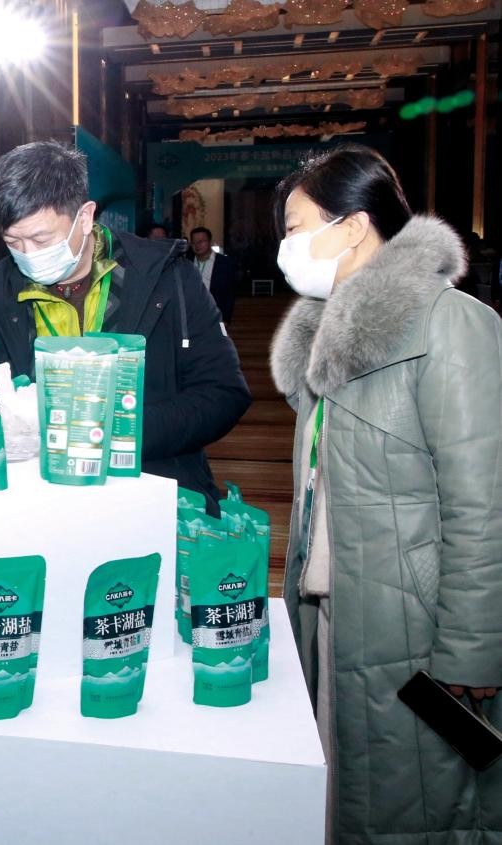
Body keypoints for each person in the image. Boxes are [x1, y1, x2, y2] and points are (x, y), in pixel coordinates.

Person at [269, 145, 501, 842]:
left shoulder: (451, 325)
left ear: (350, 226)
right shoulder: (329, 340)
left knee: (426, 805)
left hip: (420, 634)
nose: (286, 246)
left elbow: (483, 504)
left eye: (295, 227)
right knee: (348, 799)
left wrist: (471, 650)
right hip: (338, 615)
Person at [0, 140, 250, 514]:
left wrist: (119, 433)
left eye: (41, 239)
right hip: (41, 507)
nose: (29, 254)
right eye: (13, 242)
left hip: (152, 496)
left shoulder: (166, 279)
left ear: (85, 217)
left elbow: (224, 393)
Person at [189, 226, 239, 323]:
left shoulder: (225, 263)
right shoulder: (186, 262)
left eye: (201, 241)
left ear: (210, 242)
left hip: (216, 316)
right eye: (194, 242)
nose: (197, 245)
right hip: (191, 316)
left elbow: (230, 293)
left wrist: (225, 318)